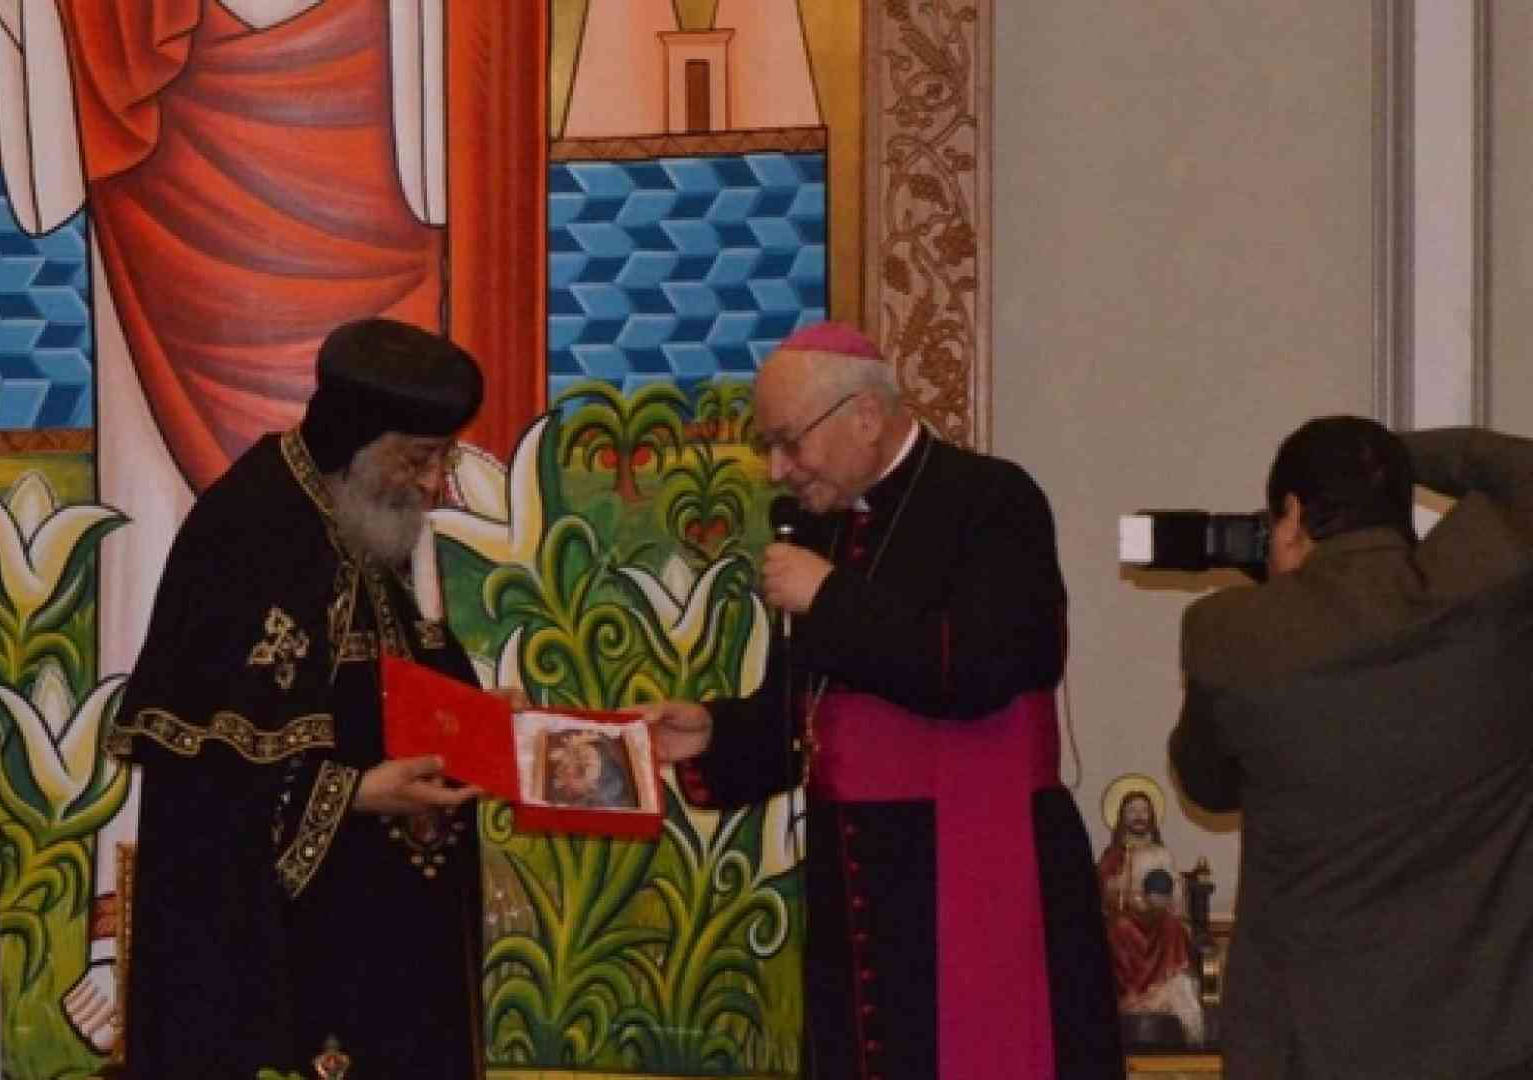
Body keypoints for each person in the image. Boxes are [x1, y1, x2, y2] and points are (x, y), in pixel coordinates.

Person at [640, 322, 1123, 1078]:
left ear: (864, 415)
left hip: (976, 877)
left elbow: (986, 666)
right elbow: (809, 711)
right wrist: (712, 733)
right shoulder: (822, 529)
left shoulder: (995, 500)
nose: (776, 469)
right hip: (856, 883)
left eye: (788, 442)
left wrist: (830, 597)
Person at [109, 318, 488, 1076]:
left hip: (382, 939)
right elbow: (207, 774)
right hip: (289, 952)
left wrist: (481, 719)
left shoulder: (357, 517)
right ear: (358, 439)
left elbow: (385, 679)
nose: (433, 485)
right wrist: (358, 794)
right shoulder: (253, 532)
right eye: (418, 458)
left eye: (442, 458)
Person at [1169, 420, 1533, 1079]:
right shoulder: (1496, 593)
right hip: (1488, 1042)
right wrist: (1390, 455)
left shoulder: (1232, 634)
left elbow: (1209, 786)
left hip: (1306, 1048)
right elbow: (1518, 468)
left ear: (1292, 516)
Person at [1096, 783, 1203, 1043]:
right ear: (1122, 817)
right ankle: (1130, 996)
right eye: (1132, 811)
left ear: (1152, 817)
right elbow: (1100, 894)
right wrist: (1117, 887)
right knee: (1120, 928)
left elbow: (1176, 896)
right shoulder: (1113, 856)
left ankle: (1165, 994)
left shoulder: (1161, 853)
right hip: (1125, 917)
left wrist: (1163, 900)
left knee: (1172, 926)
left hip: (1158, 915)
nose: (1139, 816)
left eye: (1144, 811)